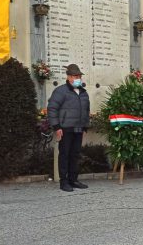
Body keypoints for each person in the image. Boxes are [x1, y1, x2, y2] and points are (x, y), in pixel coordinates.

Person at [47, 64, 90, 192]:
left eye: (79, 76)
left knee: (75, 155)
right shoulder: (60, 91)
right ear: (69, 77)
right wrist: (56, 126)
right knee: (65, 155)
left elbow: (86, 110)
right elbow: (52, 109)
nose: (78, 78)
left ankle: (73, 180)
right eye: (76, 76)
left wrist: (85, 126)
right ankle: (64, 182)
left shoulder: (83, 92)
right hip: (65, 128)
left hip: (78, 128)